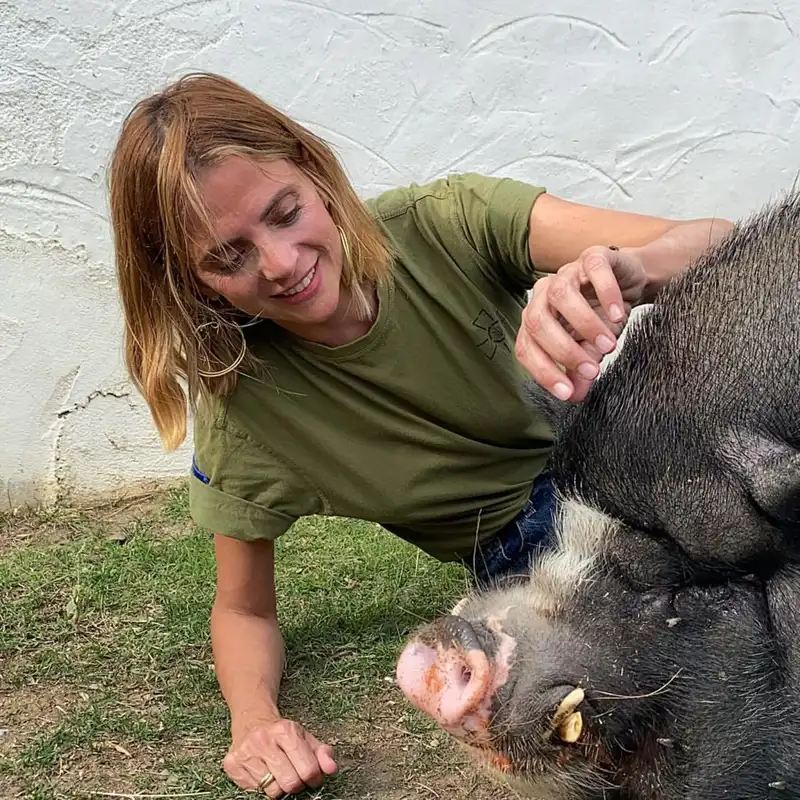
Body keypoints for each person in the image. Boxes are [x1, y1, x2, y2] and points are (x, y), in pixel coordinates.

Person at [108, 71, 733, 798]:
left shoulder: (442, 222)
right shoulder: (244, 412)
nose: (280, 265)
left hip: (633, 469)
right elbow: (243, 608)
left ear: (315, 171)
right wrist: (255, 720)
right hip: (533, 561)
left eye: (285, 212)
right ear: (192, 279)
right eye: (228, 256)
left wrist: (629, 270)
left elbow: (716, 242)